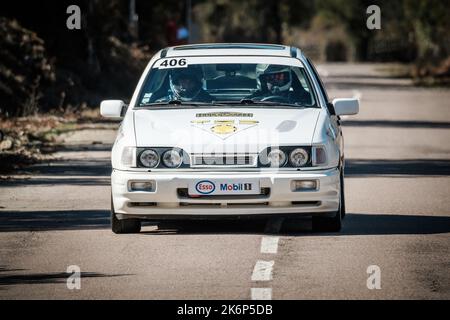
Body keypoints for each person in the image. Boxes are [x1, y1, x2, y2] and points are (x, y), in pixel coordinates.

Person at [247, 64, 311, 104]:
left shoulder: (300, 97)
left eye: (279, 77)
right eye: (270, 78)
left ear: (288, 77)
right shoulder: (252, 99)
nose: (275, 83)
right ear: (262, 80)